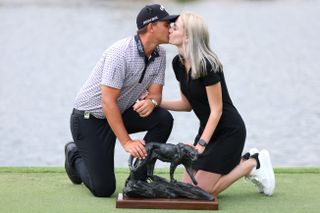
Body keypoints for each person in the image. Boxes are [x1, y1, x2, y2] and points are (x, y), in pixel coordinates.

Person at [64, 4, 178, 197]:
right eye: (167, 24)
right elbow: (107, 102)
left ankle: (137, 178)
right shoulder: (120, 53)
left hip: (119, 113)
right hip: (89, 119)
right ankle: (73, 154)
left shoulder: (160, 54)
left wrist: (151, 103)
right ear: (151, 27)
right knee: (103, 189)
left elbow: (156, 94)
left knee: (163, 119)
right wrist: (127, 142)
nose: (172, 28)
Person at [161, 12, 275, 197]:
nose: (170, 28)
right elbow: (186, 104)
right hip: (207, 131)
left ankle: (252, 163)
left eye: (175, 26)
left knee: (204, 192)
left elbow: (217, 110)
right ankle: (242, 160)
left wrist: (201, 145)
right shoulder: (178, 63)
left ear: (189, 35)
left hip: (229, 131)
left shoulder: (207, 64)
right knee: (187, 190)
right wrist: (156, 102)